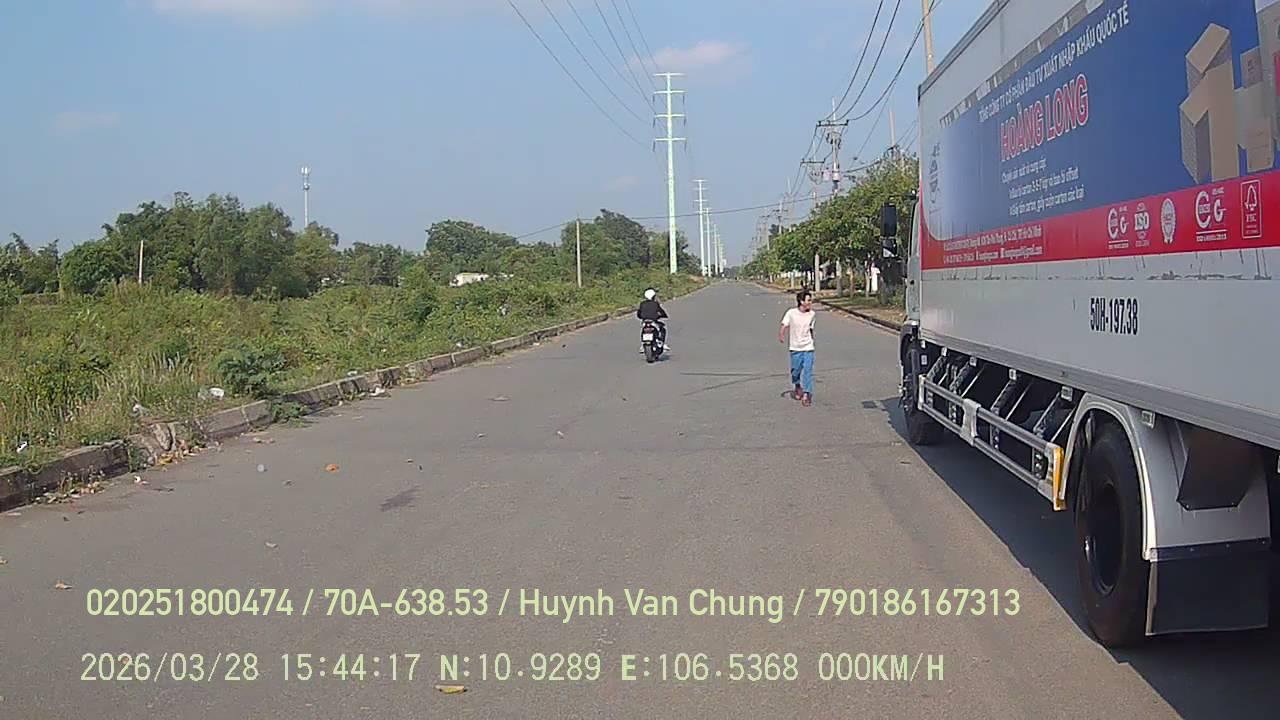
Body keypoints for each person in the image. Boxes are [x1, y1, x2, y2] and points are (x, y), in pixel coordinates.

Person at [779, 290, 816, 406]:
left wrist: (812, 340)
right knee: (795, 371)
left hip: (808, 347)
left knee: (808, 371)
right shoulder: (791, 313)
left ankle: (806, 394)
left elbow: (811, 328)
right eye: (808, 300)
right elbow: (784, 324)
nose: (810, 303)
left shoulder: (812, 314)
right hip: (795, 347)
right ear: (801, 301)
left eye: (810, 300)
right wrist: (781, 334)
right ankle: (797, 385)